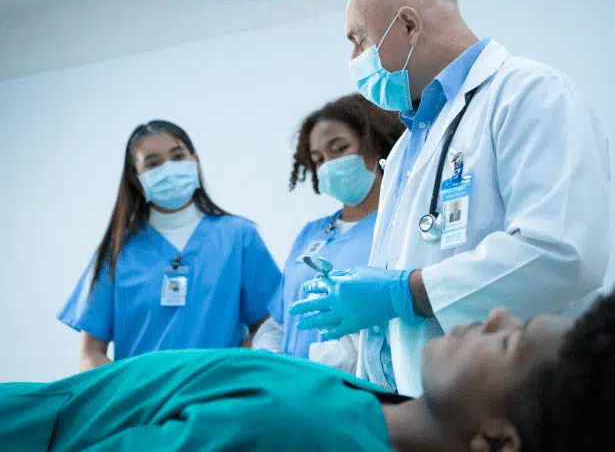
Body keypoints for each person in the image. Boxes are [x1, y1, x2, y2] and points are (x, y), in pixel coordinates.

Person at [289, 0, 610, 396]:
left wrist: (404, 292)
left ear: (407, 24)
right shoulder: (408, 145)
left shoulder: (531, 94)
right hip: (427, 407)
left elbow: (563, 252)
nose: (353, 60)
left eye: (358, 41)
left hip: (520, 401)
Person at [4, 291, 614, 451]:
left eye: (509, 344)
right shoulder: (385, 408)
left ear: (497, 439)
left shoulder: (292, 436)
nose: (498, 315)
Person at [58, 120, 280, 371]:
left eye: (178, 156)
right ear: (135, 177)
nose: (169, 168)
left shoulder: (238, 236)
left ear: (194, 161)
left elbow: (268, 327)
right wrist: (130, 395)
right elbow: (90, 354)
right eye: (153, 163)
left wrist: (223, 375)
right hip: (143, 402)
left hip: (218, 397)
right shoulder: (118, 251)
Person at [252, 94, 404, 372]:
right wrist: (271, 357)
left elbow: (403, 311)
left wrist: (325, 363)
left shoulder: (399, 225)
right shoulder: (311, 233)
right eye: (318, 158)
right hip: (292, 388)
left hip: (359, 388)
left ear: (376, 141)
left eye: (339, 148)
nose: (328, 164)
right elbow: (279, 320)